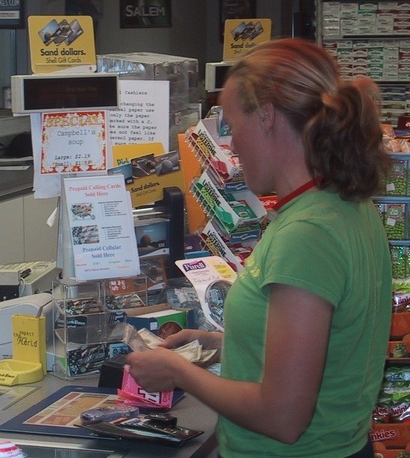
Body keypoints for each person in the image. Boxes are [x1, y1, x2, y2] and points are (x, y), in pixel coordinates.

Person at [126, 39, 391, 457]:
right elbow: (323, 350)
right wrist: (216, 346)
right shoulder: (344, 206)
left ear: (266, 115)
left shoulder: (308, 235)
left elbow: (282, 418)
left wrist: (178, 372)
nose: (230, 145)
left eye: (231, 126)